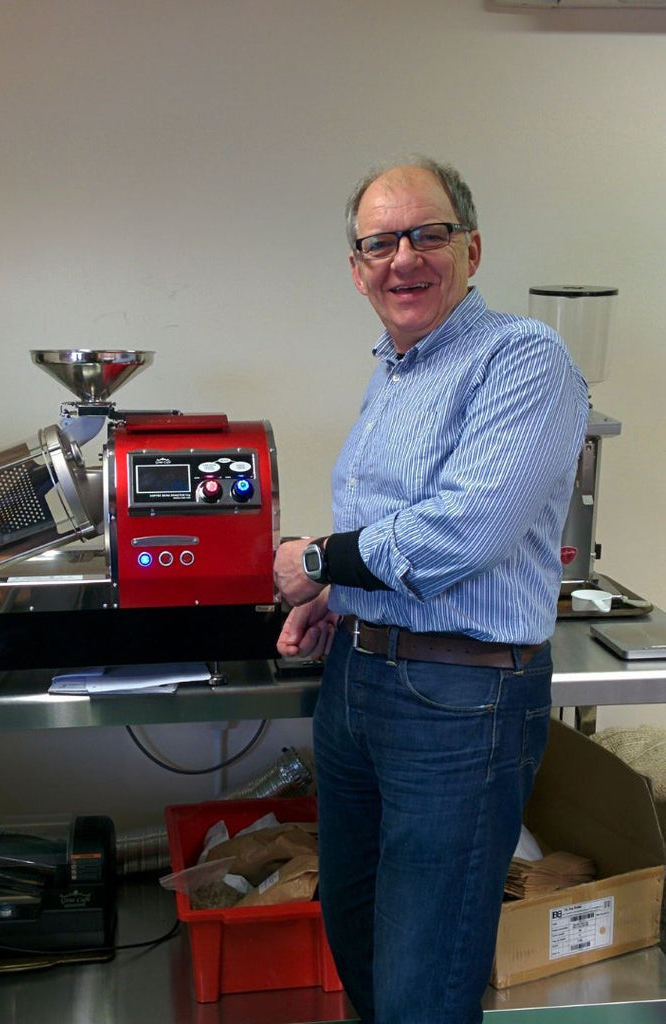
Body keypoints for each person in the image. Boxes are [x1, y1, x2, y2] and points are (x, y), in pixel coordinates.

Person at [273, 157, 588, 1024]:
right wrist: (339, 598)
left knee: (425, 985)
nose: (402, 257)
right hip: (359, 688)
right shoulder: (397, 367)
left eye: (427, 234)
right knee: (363, 952)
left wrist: (319, 561)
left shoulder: (524, 358)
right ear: (356, 268)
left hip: (460, 700)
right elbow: (397, 530)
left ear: (472, 249)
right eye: (379, 242)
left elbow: (463, 531)